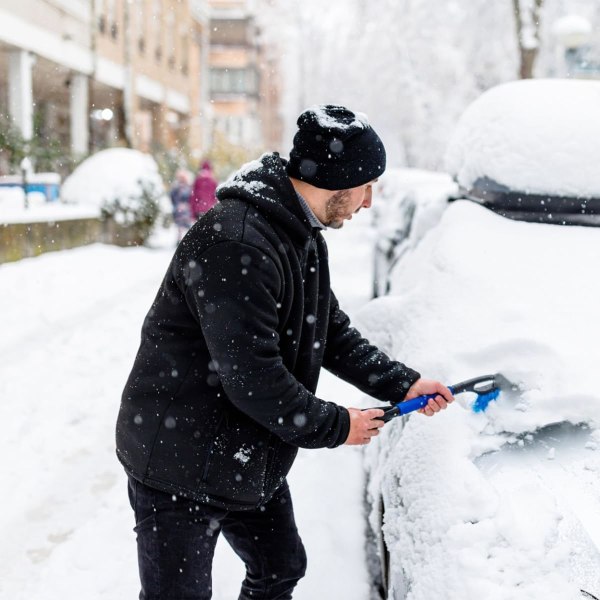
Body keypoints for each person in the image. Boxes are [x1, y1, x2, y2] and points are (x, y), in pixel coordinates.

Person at [116, 104, 454, 600]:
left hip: (245, 450)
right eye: (365, 186)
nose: (367, 203)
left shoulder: (300, 234)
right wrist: (339, 426)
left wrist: (401, 382)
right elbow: (254, 378)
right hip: (178, 462)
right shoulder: (237, 242)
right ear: (338, 180)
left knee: (280, 568)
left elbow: (328, 329)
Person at [170, 169, 193, 243]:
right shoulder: (176, 187)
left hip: (186, 209)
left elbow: (191, 197)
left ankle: (188, 239)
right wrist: (177, 204)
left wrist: (187, 204)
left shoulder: (188, 187)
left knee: (186, 224)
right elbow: (172, 197)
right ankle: (180, 239)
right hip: (179, 209)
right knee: (180, 225)